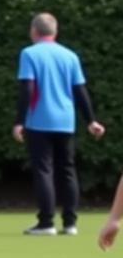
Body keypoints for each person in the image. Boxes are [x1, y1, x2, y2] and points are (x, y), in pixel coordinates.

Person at [13, 12, 105, 236]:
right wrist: (91, 120)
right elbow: (80, 90)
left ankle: (46, 223)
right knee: (67, 170)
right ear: (55, 32)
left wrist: (19, 121)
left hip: (39, 119)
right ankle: (70, 223)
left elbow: (28, 88)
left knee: (44, 170)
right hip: (66, 120)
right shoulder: (70, 55)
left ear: (34, 31)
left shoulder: (29, 53)